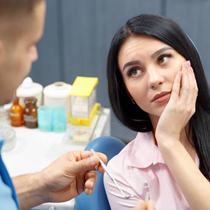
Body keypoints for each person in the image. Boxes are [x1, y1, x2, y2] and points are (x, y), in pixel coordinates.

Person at [0, 1, 152, 210]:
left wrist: (40, 186)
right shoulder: (125, 174)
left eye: (163, 58)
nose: (35, 56)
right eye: (29, 44)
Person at [104, 13, 210, 210]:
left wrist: (168, 139)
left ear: (189, 60)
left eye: (163, 58)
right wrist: (167, 138)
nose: (154, 79)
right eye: (134, 71)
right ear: (128, 93)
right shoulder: (121, 174)